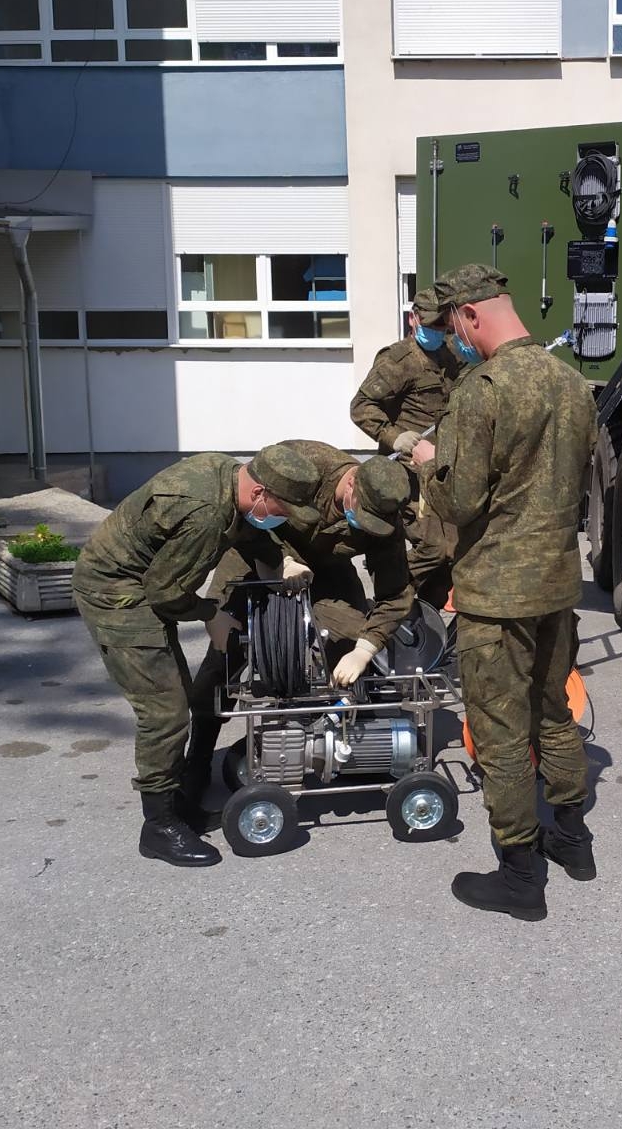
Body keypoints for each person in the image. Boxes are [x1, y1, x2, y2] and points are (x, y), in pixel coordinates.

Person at [418, 263, 599, 921]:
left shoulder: (481, 388)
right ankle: (573, 843)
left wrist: (427, 468)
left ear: (470, 317)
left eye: (452, 326)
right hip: (556, 584)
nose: (454, 339)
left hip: (497, 594)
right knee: (553, 712)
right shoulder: (573, 383)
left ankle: (520, 874)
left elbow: (459, 500)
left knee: (498, 735)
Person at [71, 445, 322, 868]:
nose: (286, 516)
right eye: (284, 507)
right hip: (116, 591)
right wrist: (212, 615)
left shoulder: (228, 477)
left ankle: (177, 806)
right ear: (259, 491)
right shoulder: (205, 511)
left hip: (140, 582)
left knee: (176, 700)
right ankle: (159, 827)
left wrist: (279, 561)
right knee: (164, 711)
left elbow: (248, 530)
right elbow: (166, 593)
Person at [186, 444, 415, 778]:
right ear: (350, 484)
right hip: (256, 555)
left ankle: (350, 745)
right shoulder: (302, 464)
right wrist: (280, 562)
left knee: (352, 644)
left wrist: (365, 650)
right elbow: (241, 509)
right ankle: (197, 762)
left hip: (328, 569)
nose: (365, 526)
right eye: (362, 517)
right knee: (227, 655)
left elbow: (395, 595)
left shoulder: (384, 515)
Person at [349, 289, 462, 610]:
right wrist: (393, 436)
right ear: (413, 319)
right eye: (430, 325)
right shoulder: (397, 360)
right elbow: (362, 406)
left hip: (443, 470)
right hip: (409, 474)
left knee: (452, 552)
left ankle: (420, 618)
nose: (437, 333)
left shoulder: (450, 352)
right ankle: (389, 602)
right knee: (433, 548)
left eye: (443, 326)